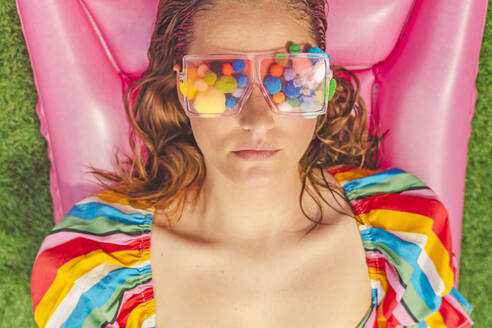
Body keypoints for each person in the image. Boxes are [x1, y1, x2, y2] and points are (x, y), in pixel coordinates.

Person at [30, 0, 473, 327]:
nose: (257, 120)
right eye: (220, 80)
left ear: (324, 89)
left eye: (291, 79)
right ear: (180, 89)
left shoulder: (406, 237)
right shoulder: (91, 270)